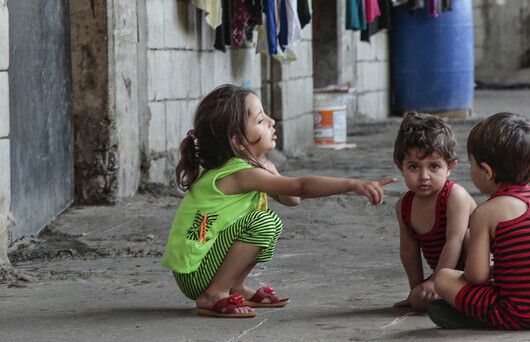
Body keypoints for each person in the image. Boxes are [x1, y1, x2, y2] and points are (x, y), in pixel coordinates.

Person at [160, 84, 395, 318]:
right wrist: (353, 184)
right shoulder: (239, 174)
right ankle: (215, 293)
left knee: (271, 223)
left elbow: (292, 199)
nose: (272, 121)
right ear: (239, 142)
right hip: (196, 272)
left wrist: (273, 173)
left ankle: (234, 287)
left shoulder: (251, 168)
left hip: (204, 265)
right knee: (262, 222)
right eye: (261, 120)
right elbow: (301, 187)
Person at [428, 112, 530, 330]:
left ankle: (474, 317)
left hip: (515, 315)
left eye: (471, 163)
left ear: (486, 171)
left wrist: (489, 272)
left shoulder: (484, 213)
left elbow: (476, 276)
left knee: (444, 278)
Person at [390, 113, 476, 312]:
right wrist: (417, 289)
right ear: (400, 166)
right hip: (451, 274)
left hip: (484, 269)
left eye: (434, 166)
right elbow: (409, 251)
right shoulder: (404, 206)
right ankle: (458, 299)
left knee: (470, 236)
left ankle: (478, 296)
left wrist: (435, 281)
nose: (424, 176)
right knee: (422, 301)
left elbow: (454, 242)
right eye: (413, 167)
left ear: (450, 167)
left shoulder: (455, 196)